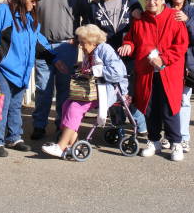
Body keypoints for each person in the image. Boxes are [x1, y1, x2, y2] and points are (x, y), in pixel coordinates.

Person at [0, 0, 67, 157]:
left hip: (22, 71)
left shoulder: (29, 18)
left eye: (36, 2)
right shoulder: (3, 12)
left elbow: (39, 41)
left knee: (15, 106)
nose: (34, 4)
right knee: (2, 107)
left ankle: (14, 137)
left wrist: (54, 58)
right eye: (32, 0)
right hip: (4, 69)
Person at [119, 0, 189, 161]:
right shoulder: (140, 20)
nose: (151, 3)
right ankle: (154, 140)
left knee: (169, 108)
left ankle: (176, 144)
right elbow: (131, 39)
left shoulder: (174, 18)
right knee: (149, 108)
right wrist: (128, 45)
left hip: (169, 72)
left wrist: (164, 59)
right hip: (146, 71)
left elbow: (181, 45)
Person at [41, 24, 129, 158]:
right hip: (92, 90)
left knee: (75, 108)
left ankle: (60, 146)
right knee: (67, 104)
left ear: (93, 42)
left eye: (83, 43)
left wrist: (95, 70)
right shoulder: (90, 52)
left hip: (108, 90)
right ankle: (71, 143)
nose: (81, 46)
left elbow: (117, 72)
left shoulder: (105, 49)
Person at [31, 0, 90, 140]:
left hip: (66, 46)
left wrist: (79, 39)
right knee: (43, 88)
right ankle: (39, 125)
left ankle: (61, 126)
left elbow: (87, 20)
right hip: (44, 46)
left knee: (64, 88)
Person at [88, 0, 147, 136]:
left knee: (128, 92)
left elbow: (140, 29)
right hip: (107, 56)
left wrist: (131, 44)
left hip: (129, 55)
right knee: (111, 92)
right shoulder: (94, 6)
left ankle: (140, 125)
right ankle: (117, 128)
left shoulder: (131, 1)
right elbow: (91, 32)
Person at [160, 0, 194, 153]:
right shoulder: (163, 11)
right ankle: (169, 135)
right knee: (166, 100)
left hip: (187, 63)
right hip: (167, 63)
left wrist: (187, 21)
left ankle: (183, 137)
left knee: (184, 100)